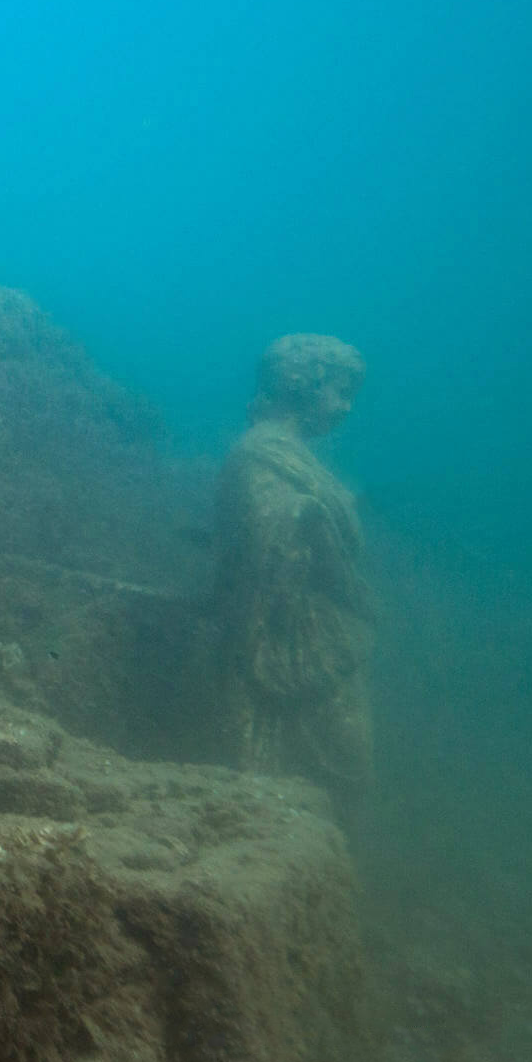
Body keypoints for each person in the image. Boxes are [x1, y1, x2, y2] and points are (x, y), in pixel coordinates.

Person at [212, 333, 372, 822]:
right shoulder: (259, 452)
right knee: (329, 769)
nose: (345, 408)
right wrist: (312, 518)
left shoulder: (288, 453)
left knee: (345, 773)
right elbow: (264, 543)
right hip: (288, 642)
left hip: (319, 633)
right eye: (339, 392)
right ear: (304, 386)